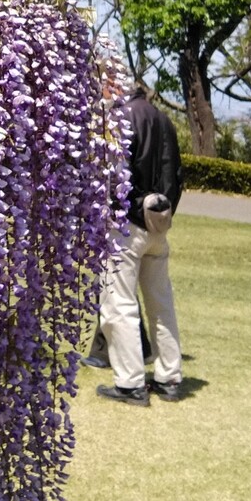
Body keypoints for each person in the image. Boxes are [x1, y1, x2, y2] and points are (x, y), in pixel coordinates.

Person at [97, 84, 184, 406]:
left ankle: (131, 383)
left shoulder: (120, 118)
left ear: (115, 87)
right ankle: (169, 377)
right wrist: (163, 210)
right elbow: (176, 173)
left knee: (119, 305)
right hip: (159, 225)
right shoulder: (164, 120)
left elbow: (115, 176)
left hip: (128, 226)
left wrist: (128, 209)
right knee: (161, 304)